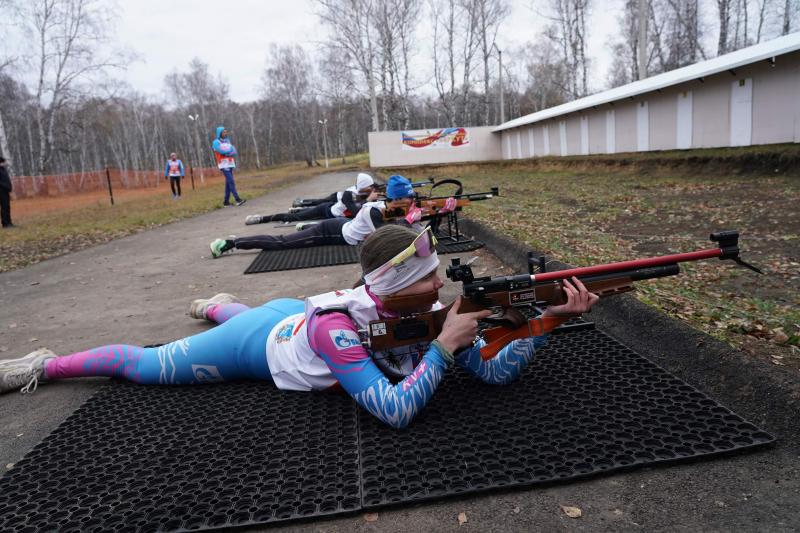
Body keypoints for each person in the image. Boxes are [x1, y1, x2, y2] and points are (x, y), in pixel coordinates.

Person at [0, 224, 598, 429]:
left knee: (248, 310)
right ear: (394, 288)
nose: (440, 287)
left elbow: (493, 375)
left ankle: (218, 302)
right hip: (267, 342)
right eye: (428, 278)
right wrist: (443, 350)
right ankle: (43, 364)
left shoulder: (422, 312)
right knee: (147, 365)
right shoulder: (339, 330)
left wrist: (539, 321)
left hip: (293, 310)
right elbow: (393, 411)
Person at [209, 175, 437, 258]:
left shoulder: (386, 206)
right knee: (282, 243)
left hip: (342, 226)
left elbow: (401, 220)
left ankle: (306, 225)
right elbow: (388, 237)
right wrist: (411, 219)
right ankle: (231, 242)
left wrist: (431, 213)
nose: (408, 203)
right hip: (332, 231)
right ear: (395, 199)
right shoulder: (374, 209)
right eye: (405, 200)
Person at [244, 173, 378, 225]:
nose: (372, 190)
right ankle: (262, 218)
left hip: (334, 217)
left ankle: (296, 210)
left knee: (301, 215)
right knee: (295, 218)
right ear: (364, 186)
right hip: (326, 211)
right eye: (370, 187)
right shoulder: (349, 194)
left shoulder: (364, 192)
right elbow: (356, 212)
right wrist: (368, 200)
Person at [212, 126, 246, 207]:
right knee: (231, 181)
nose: (225, 133)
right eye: (224, 132)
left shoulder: (227, 140)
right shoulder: (216, 142)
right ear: (219, 133)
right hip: (223, 164)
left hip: (230, 163)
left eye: (226, 132)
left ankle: (226, 202)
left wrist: (228, 152)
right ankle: (237, 199)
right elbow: (220, 151)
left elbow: (234, 151)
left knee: (228, 183)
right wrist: (228, 151)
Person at [0, 157, 13, 228]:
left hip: (6, 190)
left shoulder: (3, 170)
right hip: (1, 191)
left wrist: (9, 187)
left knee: (7, 206)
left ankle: (9, 222)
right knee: (4, 207)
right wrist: (5, 186)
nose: (5, 163)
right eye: (4, 162)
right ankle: (5, 223)